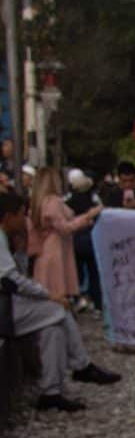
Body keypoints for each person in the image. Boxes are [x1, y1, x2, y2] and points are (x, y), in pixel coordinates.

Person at [0, 224, 120, 412]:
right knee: (57, 309)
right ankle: (82, 365)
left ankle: (51, 392)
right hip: (5, 309)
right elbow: (10, 280)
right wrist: (47, 295)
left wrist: (21, 250)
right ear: (10, 217)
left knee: (52, 328)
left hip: (10, 306)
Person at [26, 166, 98, 303]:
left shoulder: (37, 202)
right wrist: (88, 216)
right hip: (56, 249)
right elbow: (65, 227)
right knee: (58, 293)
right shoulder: (53, 202)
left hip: (44, 249)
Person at [66, 168, 103, 308]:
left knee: (77, 273)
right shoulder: (94, 203)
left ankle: (78, 298)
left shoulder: (68, 203)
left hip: (76, 242)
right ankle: (97, 302)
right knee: (94, 274)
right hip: (92, 241)